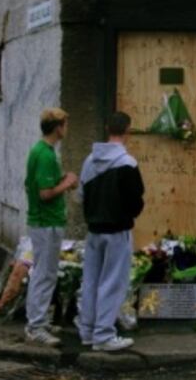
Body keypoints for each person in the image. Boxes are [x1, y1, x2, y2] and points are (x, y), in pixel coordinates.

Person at [78, 112, 145, 352]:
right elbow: (135, 200)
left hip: (94, 229)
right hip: (118, 230)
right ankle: (104, 335)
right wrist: (130, 215)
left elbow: (81, 195)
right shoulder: (127, 163)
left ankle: (87, 330)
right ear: (128, 130)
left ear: (107, 128)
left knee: (91, 280)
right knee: (113, 282)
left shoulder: (89, 161)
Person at [25, 108, 79, 346]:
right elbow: (45, 193)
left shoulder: (40, 151)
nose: (67, 129)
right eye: (65, 124)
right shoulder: (46, 155)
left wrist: (60, 179)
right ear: (58, 127)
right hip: (47, 222)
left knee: (43, 273)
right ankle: (35, 326)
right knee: (44, 274)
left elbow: (33, 184)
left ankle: (38, 321)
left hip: (43, 221)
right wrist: (66, 184)